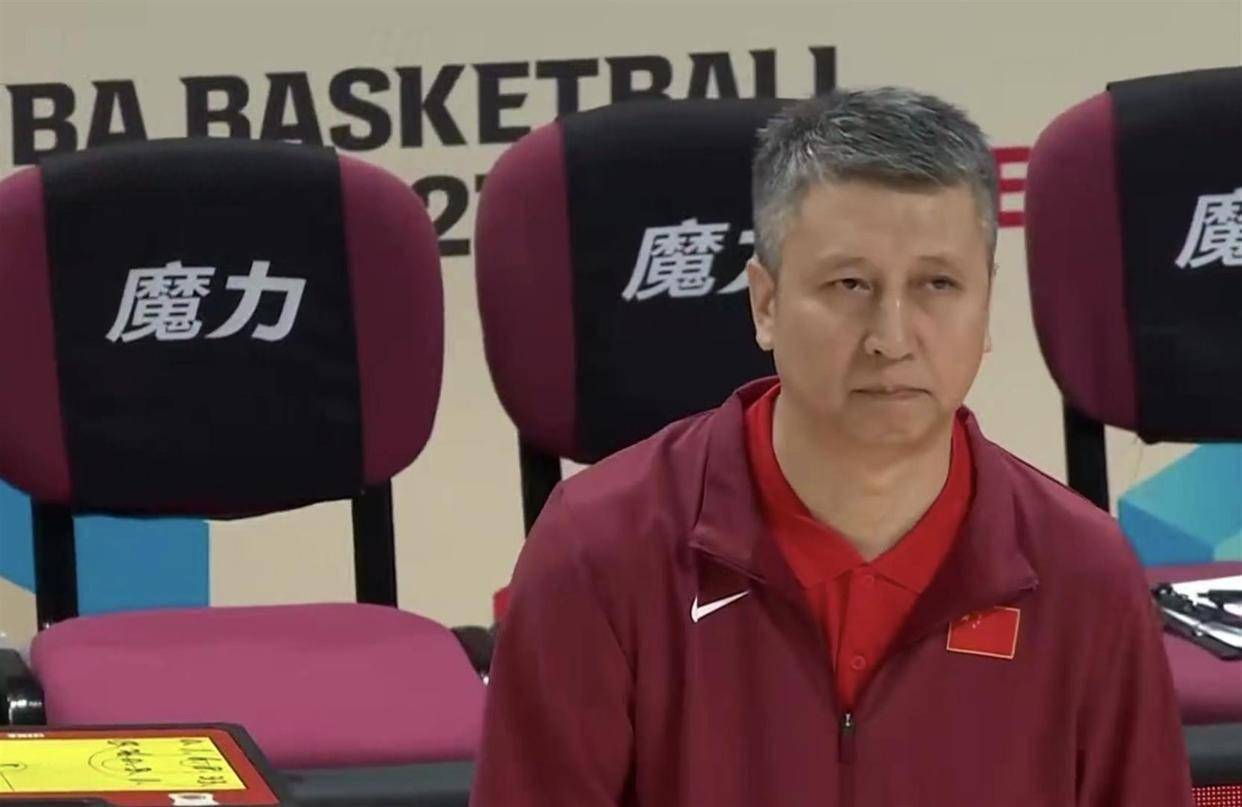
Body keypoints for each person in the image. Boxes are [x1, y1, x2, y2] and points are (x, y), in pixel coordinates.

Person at [470, 87, 1193, 807]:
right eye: (850, 284)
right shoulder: (596, 555)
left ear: (985, 305)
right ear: (766, 303)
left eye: (938, 284)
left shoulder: (1085, 575)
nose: (892, 337)